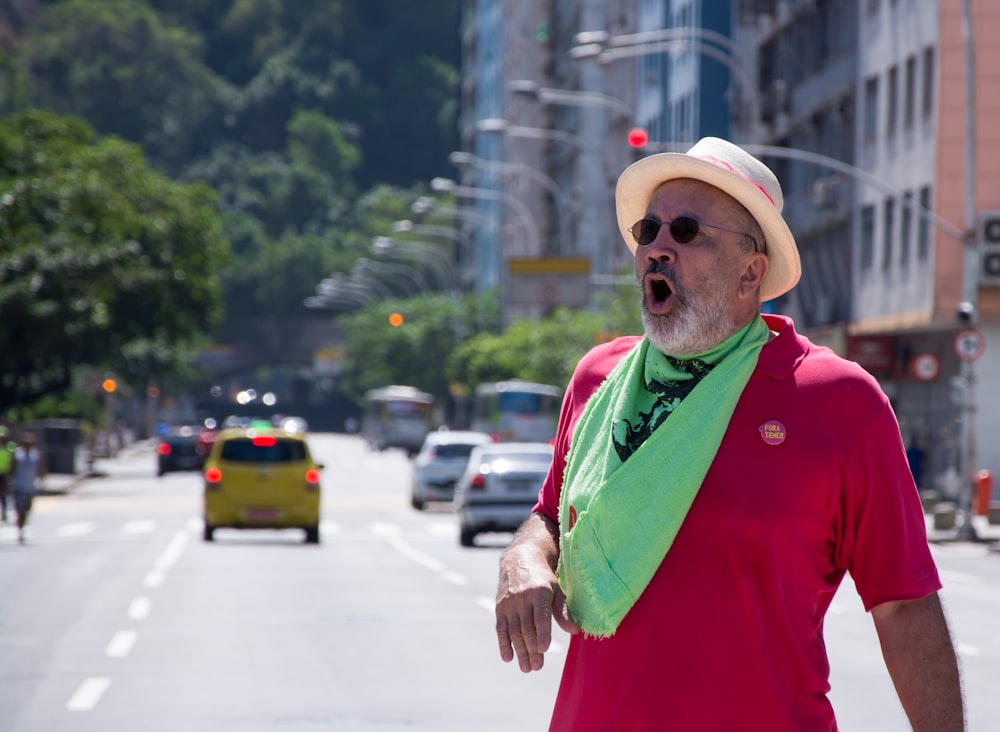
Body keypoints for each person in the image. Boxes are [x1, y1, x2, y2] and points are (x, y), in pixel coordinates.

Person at [494, 138, 964, 731]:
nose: (658, 249)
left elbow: (904, 605)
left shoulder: (840, 401)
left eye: (687, 231)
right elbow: (550, 519)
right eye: (649, 231)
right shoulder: (599, 379)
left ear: (750, 273)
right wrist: (524, 555)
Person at [10, 431, 46, 544]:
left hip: (30, 487)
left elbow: (41, 468)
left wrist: (41, 479)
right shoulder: (17, 454)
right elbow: (12, 469)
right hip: (19, 486)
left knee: (27, 509)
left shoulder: (36, 455)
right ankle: (20, 531)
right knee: (20, 510)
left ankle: (22, 525)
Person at [0, 425, 16, 522]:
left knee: (4, 494)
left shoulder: (10, 447)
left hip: (5, 473)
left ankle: (4, 512)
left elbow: (13, 461)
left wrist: (11, 473)